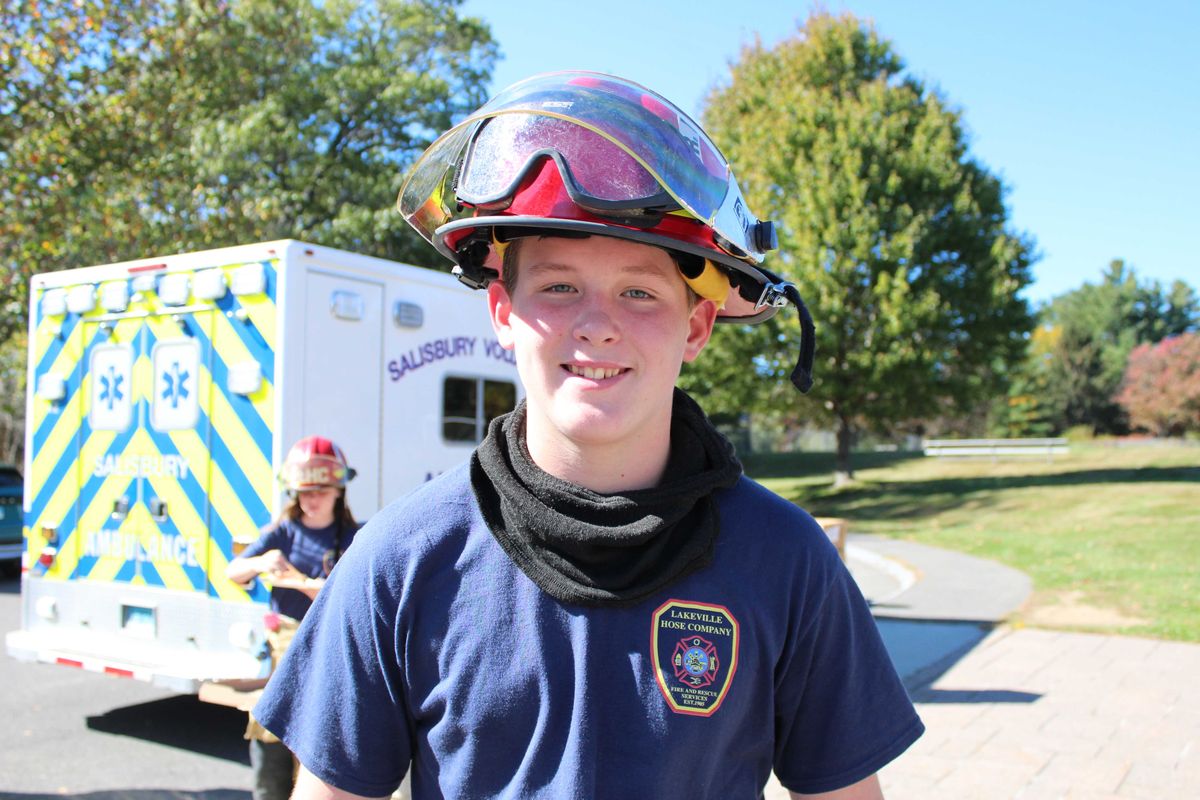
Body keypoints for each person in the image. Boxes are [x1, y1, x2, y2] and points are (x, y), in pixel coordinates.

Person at [254, 71, 923, 799]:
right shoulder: (400, 562)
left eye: (639, 291)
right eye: (558, 286)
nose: (597, 323)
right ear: (503, 313)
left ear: (696, 324)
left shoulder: (788, 563)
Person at [227, 435, 362, 800]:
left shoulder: (355, 538)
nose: (311, 501)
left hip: (329, 651)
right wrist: (260, 562)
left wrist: (308, 586)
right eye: (303, 493)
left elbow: (359, 596)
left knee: (317, 746)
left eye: (319, 491)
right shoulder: (283, 533)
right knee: (270, 736)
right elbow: (233, 571)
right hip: (281, 652)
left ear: (338, 490)